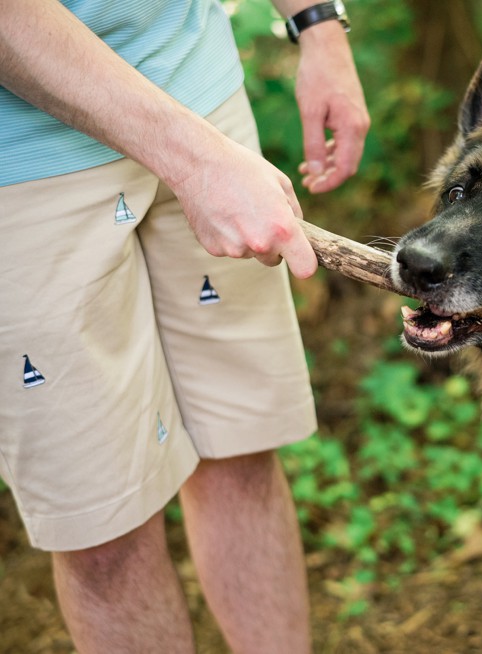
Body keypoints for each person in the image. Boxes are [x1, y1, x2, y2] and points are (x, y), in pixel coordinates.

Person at [0, 0, 369, 651]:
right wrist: (196, 162)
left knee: (242, 451)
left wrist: (317, 24)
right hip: (22, 165)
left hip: (202, 95)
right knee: (105, 532)